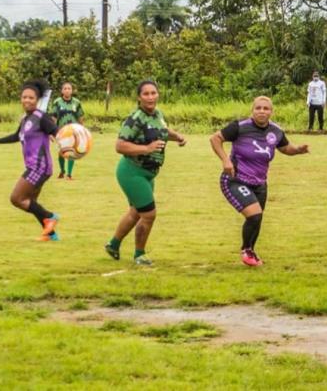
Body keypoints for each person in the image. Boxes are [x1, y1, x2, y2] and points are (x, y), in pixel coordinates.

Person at [210, 96, 308, 266]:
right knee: (254, 214)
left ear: (271, 112)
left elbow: (285, 148)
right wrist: (225, 160)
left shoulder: (276, 131)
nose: (262, 111)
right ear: (252, 110)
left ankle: (251, 251)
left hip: (260, 184)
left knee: (257, 218)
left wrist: (298, 150)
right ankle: (246, 250)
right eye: (258, 108)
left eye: (266, 109)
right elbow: (215, 139)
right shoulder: (240, 127)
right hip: (235, 179)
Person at [104, 81, 186, 266]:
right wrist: (147, 148)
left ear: (158, 95)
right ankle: (139, 255)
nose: (150, 97)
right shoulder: (135, 118)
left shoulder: (157, 114)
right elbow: (120, 145)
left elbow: (163, 131)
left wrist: (177, 137)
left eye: (153, 93)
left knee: (136, 212)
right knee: (148, 214)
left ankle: (113, 245)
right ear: (139, 97)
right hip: (132, 172)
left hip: (148, 173)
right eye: (146, 94)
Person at [0, 80, 60, 242]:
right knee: (31, 202)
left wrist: (63, 145)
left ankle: (50, 217)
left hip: (40, 167)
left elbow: (56, 131)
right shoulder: (25, 119)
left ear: (37, 100)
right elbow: (17, 136)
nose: (27, 100)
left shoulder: (41, 117)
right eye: (24, 97)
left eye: (31, 98)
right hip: (35, 167)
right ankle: (51, 234)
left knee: (16, 199)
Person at [48, 81, 85, 179]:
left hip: (74, 132)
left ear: (72, 91)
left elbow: (80, 117)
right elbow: (53, 118)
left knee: (72, 152)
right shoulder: (57, 102)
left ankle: (69, 174)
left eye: (69, 88)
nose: (67, 90)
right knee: (61, 152)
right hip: (61, 132)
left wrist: (82, 131)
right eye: (65, 88)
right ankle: (62, 171)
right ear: (62, 91)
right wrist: (51, 132)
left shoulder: (77, 102)